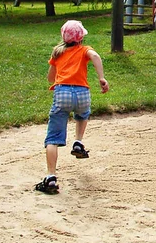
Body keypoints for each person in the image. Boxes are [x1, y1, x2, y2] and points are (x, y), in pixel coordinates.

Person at [35, 20, 109, 194]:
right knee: (83, 115)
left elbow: (50, 78)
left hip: (62, 93)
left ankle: (51, 177)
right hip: (83, 93)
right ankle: (78, 142)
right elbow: (96, 56)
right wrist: (101, 78)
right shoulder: (84, 50)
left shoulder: (57, 53)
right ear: (81, 37)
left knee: (53, 138)